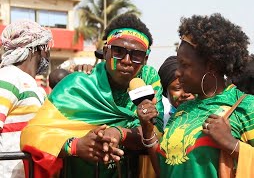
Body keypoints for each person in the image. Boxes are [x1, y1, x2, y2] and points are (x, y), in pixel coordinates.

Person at [137, 13, 254, 178]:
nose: (178, 72)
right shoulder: (183, 111)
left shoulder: (249, 107)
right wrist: (148, 132)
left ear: (210, 66)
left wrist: (231, 144)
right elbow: (166, 171)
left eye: (185, 65)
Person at [20, 13, 164, 177]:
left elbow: (155, 131)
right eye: (118, 51)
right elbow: (32, 134)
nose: (127, 60)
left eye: (136, 55)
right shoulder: (75, 85)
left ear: (145, 59)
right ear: (105, 52)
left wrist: (119, 133)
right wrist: (75, 146)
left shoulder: (148, 82)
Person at [0, 20, 52, 178]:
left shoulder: (36, 88)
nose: (49, 55)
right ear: (38, 49)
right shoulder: (8, 77)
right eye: (47, 48)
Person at [158, 56, 195, 128]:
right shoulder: (160, 123)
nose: (186, 93)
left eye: (190, 85)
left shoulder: (210, 117)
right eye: (178, 88)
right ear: (166, 93)